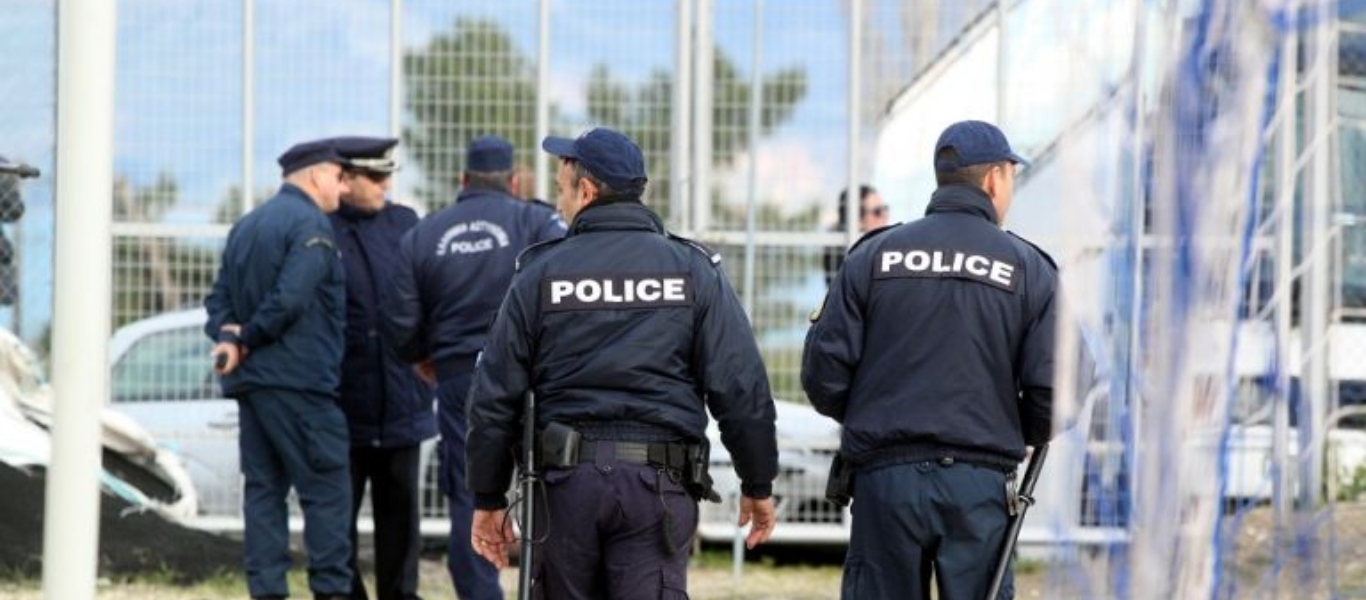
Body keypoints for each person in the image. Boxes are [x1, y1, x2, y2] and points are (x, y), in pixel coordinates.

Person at [464, 127, 780, 599]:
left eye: (561, 190)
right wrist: (757, 480)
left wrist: (488, 495)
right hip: (658, 489)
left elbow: (494, 394)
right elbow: (740, 385)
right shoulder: (692, 270)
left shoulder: (539, 274)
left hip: (565, 490)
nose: (558, 203)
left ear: (587, 191)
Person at [801, 120, 1057, 600]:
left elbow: (823, 376)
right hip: (980, 484)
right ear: (994, 179)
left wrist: (876, 416)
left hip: (885, 481)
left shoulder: (872, 255)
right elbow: (1055, 388)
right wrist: (1013, 428)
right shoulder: (1029, 268)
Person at [381, 134, 566, 600]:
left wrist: (425, 356)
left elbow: (399, 319)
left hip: (461, 377)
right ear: (515, 180)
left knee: (473, 490)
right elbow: (568, 286)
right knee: (556, 482)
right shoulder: (537, 221)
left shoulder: (424, 233)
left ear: (463, 179)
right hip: (536, 375)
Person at [204, 139, 354, 600]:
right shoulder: (311, 225)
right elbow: (291, 298)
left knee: (264, 493)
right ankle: (332, 591)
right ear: (315, 175)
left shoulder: (248, 225)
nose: (344, 188)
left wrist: (230, 337)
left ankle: (266, 592)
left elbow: (217, 300)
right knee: (326, 490)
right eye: (338, 177)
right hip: (300, 382)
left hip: (253, 385)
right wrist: (247, 337)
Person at [328, 136, 436, 600]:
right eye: (374, 177)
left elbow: (429, 295)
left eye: (387, 176)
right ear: (345, 179)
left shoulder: (406, 224)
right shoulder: (321, 227)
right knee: (337, 521)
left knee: (400, 519)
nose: (383, 185)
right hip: (343, 404)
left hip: (401, 400)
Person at [822, 184, 889, 286]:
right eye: (877, 212)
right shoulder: (841, 251)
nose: (885, 216)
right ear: (858, 220)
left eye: (885, 209)